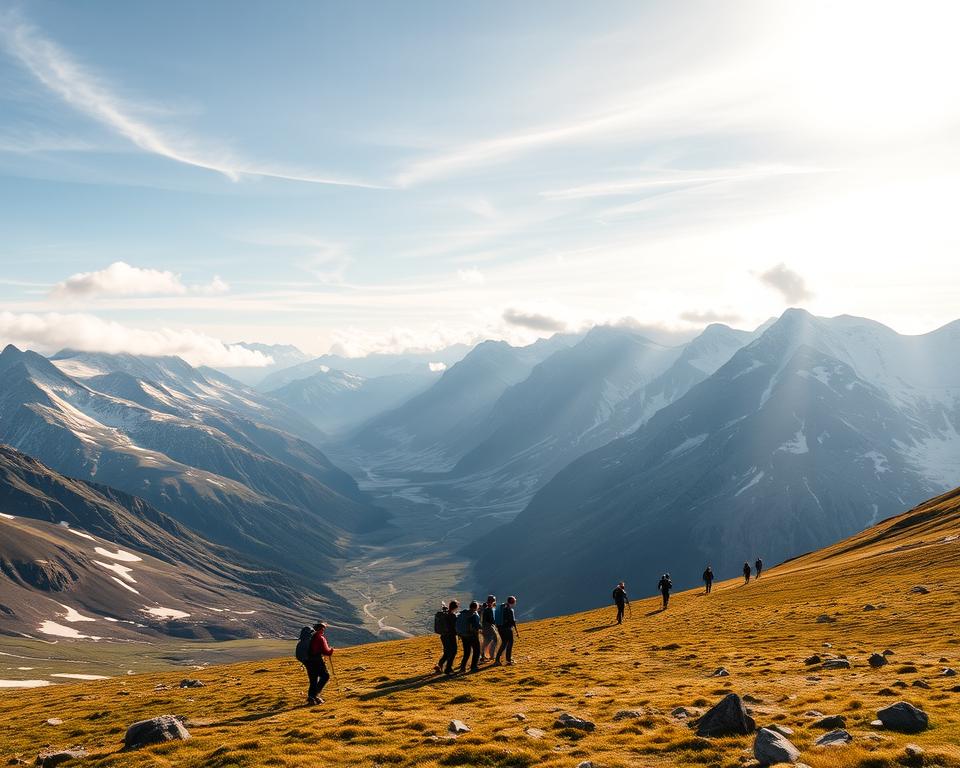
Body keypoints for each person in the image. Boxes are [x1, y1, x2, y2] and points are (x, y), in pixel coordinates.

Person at [306, 621, 334, 705]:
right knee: (325, 676)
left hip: (308, 661)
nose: (323, 631)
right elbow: (326, 651)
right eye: (323, 629)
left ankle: (311, 697)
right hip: (317, 660)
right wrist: (331, 650)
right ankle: (315, 695)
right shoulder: (320, 637)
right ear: (321, 629)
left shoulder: (310, 637)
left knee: (313, 680)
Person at [456, 600, 482, 673]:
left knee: (467, 652)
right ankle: (474, 667)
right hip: (472, 635)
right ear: (476, 607)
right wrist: (481, 629)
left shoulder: (463, 613)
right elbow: (476, 626)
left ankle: (462, 668)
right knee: (477, 651)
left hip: (463, 635)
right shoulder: (474, 615)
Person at [495, 596, 519, 665]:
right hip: (507, 629)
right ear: (513, 602)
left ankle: (497, 660)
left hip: (500, 628)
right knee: (510, 643)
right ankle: (508, 660)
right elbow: (511, 621)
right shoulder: (510, 610)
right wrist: (514, 622)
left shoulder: (503, 608)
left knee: (504, 643)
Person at [437, 601, 459, 675]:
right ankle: (448, 668)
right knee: (453, 652)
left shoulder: (446, 614)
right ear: (455, 607)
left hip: (443, 636)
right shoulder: (452, 616)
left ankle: (440, 664)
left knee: (447, 652)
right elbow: (455, 627)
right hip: (451, 636)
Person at [480, 595, 499, 662]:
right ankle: (491, 655)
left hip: (484, 627)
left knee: (486, 641)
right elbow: (491, 620)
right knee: (494, 640)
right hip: (489, 627)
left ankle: (483, 655)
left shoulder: (485, 609)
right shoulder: (489, 609)